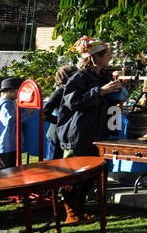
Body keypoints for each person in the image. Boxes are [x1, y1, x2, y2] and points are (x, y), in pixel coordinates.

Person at [56, 37, 125, 222]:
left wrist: (117, 93)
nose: (110, 57)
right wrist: (100, 91)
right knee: (75, 176)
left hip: (94, 132)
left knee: (89, 176)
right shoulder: (79, 78)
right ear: (96, 57)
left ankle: (79, 210)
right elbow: (73, 102)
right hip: (78, 135)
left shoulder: (101, 76)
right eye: (107, 54)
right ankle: (71, 213)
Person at [43, 65, 78, 159]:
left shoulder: (76, 91)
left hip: (69, 135)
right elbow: (44, 114)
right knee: (53, 165)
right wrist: (62, 121)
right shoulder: (59, 92)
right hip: (56, 135)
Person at [0, 77, 21, 171]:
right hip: (5, 146)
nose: (20, 93)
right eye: (18, 90)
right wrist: (25, 114)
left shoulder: (9, 103)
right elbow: (10, 121)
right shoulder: (5, 105)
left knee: (10, 173)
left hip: (8, 145)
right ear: (11, 91)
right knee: (6, 175)